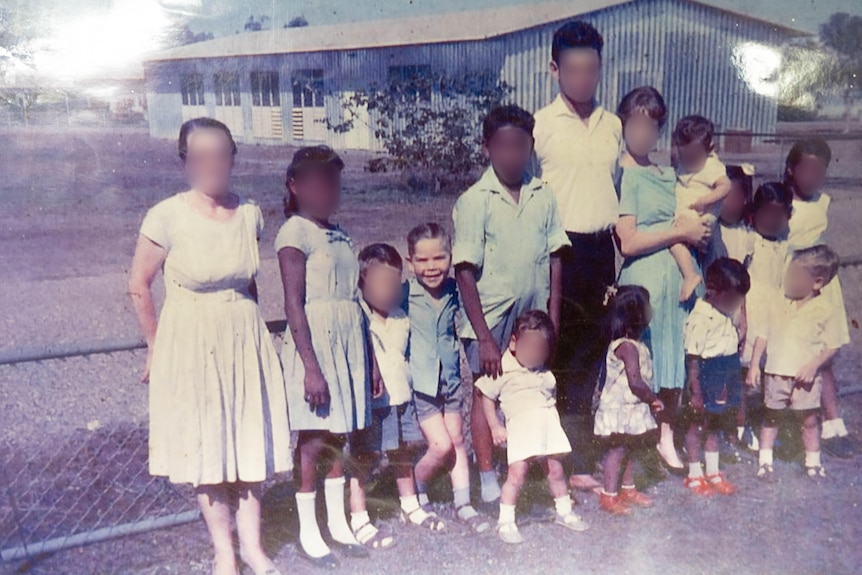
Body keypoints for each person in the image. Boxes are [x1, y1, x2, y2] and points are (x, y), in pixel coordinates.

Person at [128, 117, 289, 575]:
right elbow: (138, 283)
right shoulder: (166, 215)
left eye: (220, 154)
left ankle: (255, 549)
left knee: (247, 442)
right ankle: (224, 551)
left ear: (233, 157)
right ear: (185, 162)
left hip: (243, 338)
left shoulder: (250, 213)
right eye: (200, 157)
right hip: (191, 343)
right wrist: (155, 345)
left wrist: (257, 346)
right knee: (208, 449)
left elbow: (250, 284)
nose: (212, 165)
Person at [453, 104, 570, 508]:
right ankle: (487, 475)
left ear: (530, 147)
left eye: (520, 146)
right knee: (486, 394)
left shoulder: (543, 194)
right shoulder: (474, 200)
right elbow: (464, 272)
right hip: (490, 319)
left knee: (529, 393)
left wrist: (552, 321)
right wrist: (485, 338)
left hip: (532, 316)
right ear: (487, 148)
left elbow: (556, 258)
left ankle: (525, 471)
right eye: (502, 146)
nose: (512, 155)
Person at [275, 146, 379, 568]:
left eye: (332, 182)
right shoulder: (294, 233)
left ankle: (338, 524)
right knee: (314, 438)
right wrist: (312, 368)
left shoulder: (340, 234)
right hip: (315, 346)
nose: (325, 191)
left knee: (340, 435)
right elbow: (294, 304)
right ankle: (308, 530)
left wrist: (370, 361)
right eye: (315, 182)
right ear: (295, 186)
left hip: (348, 345)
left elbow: (356, 300)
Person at [533, 19, 622, 494]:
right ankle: (543, 466)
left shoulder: (614, 126)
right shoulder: (540, 126)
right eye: (573, 69)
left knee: (591, 359)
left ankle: (578, 461)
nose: (583, 79)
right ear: (554, 69)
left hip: (600, 252)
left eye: (591, 69)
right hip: (558, 252)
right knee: (554, 356)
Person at [614, 86, 711, 474]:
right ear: (623, 125)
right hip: (646, 278)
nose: (643, 133)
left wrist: (695, 229)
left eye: (651, 125)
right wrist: (679, 233)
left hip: (680, 280)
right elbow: (629, 241)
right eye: (635, 124)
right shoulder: (624, 174)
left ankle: (667, 437)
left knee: (676, 359)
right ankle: (635, 445)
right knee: (645, 362)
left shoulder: (669, 174)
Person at [349, 243, 445, 550]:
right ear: (362, 283)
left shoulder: (402, 316)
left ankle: (410, 503)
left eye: (393, 283)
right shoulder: (359, 317)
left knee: (403, 452)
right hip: (373, 403)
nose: (387, 291)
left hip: (401, 399)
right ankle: (359, 516)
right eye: (378, 283)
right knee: (364, 458)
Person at [405, 223, 491, 533]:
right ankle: (412, 487)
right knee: (440, 446)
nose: (431, 267)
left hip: (451, 379)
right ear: (410, 261)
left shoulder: (455, 289)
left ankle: (463, 503)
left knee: (457, 441)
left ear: (450, 257)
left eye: (439, 258)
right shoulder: (404, 293)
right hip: (422, 384)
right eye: (423, 260)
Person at [476, 310, 589, 543]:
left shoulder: (543, 371)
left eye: (541, 350)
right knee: (517, 473)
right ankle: (505, 520)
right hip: (521, 429)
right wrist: (495, 425)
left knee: (556, 471)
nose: (534, 355)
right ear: (514, 343)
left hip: (547, 425)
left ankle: (564, 511)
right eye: (529, 348)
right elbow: (484, 395)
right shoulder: (503, 367)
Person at [747, 245, 844, 482]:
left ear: (817, 283)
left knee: (809, 420)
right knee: (771, 417)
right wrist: (753, 366)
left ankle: (813, 462)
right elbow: (762, 334)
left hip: (806, 377)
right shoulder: (778, 301)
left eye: (796, 276)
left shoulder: (825, 309)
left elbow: (833, 346)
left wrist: (813, 366)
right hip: (775, 373)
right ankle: (765, 462)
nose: (789, 280)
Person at [783, 138, 854, 459]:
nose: (812, 177)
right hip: (793, 285)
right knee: (791, 356)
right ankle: (788, 423)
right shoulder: (783, 203)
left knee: (825, 359)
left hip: (823, 290)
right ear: (790, 170)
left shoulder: (823, 202)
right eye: (806, 169)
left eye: (819, 170)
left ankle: (833, 422)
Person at [594, 285, 664, 516]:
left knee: (632, 448)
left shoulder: (638, 345)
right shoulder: (626, 347)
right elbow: (635, 382)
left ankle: (628, 489)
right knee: (618, 450)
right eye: (648, 306)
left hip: (633, 409)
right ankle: (609, 495)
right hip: (621, 409)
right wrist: (653, 399)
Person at [682, 259, 750, 497]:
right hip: (706, 375)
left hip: (726, 372)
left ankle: (713, 471)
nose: (736, 305)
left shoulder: (726, 313)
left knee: (715, 425)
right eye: (732, 299)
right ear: (712, 291)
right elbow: (693, 359)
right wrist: (696, 392)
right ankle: (693, 474)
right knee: (698, 424)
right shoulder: (700, 318)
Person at [738, 182, 794, 451]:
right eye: (766, 214)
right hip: (751, 309)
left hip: (773, 314)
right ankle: (740, 423)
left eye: (778, 215)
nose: (772, 221)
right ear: (754, 214)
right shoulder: (750, 240)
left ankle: (766, 425)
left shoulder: (785, 245)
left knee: (767, 373)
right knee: (744, 370)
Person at [668, 115, 733, 300]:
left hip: (700, 214)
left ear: (709, 149)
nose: (688, 161)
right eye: (684, 156)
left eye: (694, 157)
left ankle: (690, 276)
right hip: (689, 214)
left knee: (674, 240)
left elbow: (725, 186)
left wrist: (706, 200)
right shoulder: (682, 164)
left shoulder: (711, 165)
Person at [717, 164, 755, 265]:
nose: (727, 203)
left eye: (733, 196)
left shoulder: (750, 235)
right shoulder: (711, 231)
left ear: (745, 199)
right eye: (723, 196)